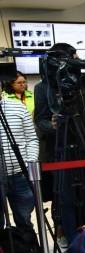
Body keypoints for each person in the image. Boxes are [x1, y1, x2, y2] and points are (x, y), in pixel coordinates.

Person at [35, 43, 85, 244]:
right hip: (60, 148)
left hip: (84, 145)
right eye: (72, 57)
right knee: (66, 197)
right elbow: (40, 119)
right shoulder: (43, 87)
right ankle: (72, 239)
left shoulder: (82, 83)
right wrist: (52, 124)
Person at [0, 93, 38, 229]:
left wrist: (29, 163)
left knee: (24, 219)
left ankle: (27, 249)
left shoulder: (18, 108)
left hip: (20, 175)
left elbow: (31, 138)